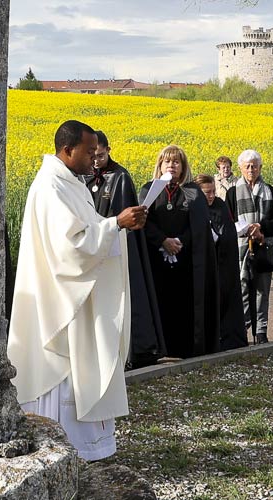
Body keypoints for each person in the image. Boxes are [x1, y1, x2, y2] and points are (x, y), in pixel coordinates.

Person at [9, 120, 147, 461]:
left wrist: (116, 226)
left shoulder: (70, 183)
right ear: (67, 150)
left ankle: (87, 446)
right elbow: (70, 249)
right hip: (59, 301)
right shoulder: (50, 187)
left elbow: (86, 232)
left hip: (73, 297)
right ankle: (64, 447)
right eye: (88, 152)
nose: (94, 159)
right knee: (63, 371)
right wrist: (116, 224)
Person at [80, 130, 166, 368]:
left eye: (100, 155)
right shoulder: (82, 177)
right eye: (92, 156)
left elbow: (124, 212)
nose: (96, 160)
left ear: (108, 150)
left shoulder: (120, 177)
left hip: (116, 242)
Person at [141, 145, 221, 356]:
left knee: (185, 307)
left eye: (176, 162)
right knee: (160, 305)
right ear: (160, 164)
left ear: (183, 166)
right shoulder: (148, 189)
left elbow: (200, 225)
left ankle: (186, 350)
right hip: (156, 261)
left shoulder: (193, 192)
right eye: (167, 161)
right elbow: (144, 222)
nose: (171, 165)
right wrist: (163, 241)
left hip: (187, 263)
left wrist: (178, 242)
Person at [225, 149, 273, 344]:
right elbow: (228, 219)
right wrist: (246, 230)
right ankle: (242, 329)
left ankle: (261, 331)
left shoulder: (269, 190)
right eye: (247, 166)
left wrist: (261, 228)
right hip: (241, 247)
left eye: (254, 166)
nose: (251, 169)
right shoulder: (232, 192)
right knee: (241, 288)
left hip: (263, 247)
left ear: (260, 168)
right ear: (240, 168)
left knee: (262, 291)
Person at [195, 174, 247, 350]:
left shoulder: (220, 205)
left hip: (222, 263)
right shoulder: (195, 207)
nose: (210, 196)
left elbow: (229, 230)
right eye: (206, 193)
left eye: (213, 192)